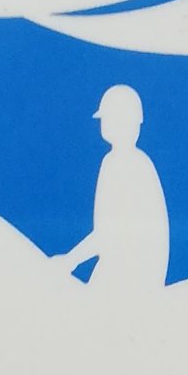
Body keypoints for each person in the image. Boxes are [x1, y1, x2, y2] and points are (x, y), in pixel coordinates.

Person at [53, 82, 170, 308]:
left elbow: (108, 234)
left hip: (129, 273)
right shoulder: (133, 161)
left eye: (108, 119)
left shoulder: (120, 164)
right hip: (132, 267)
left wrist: (69, 261)